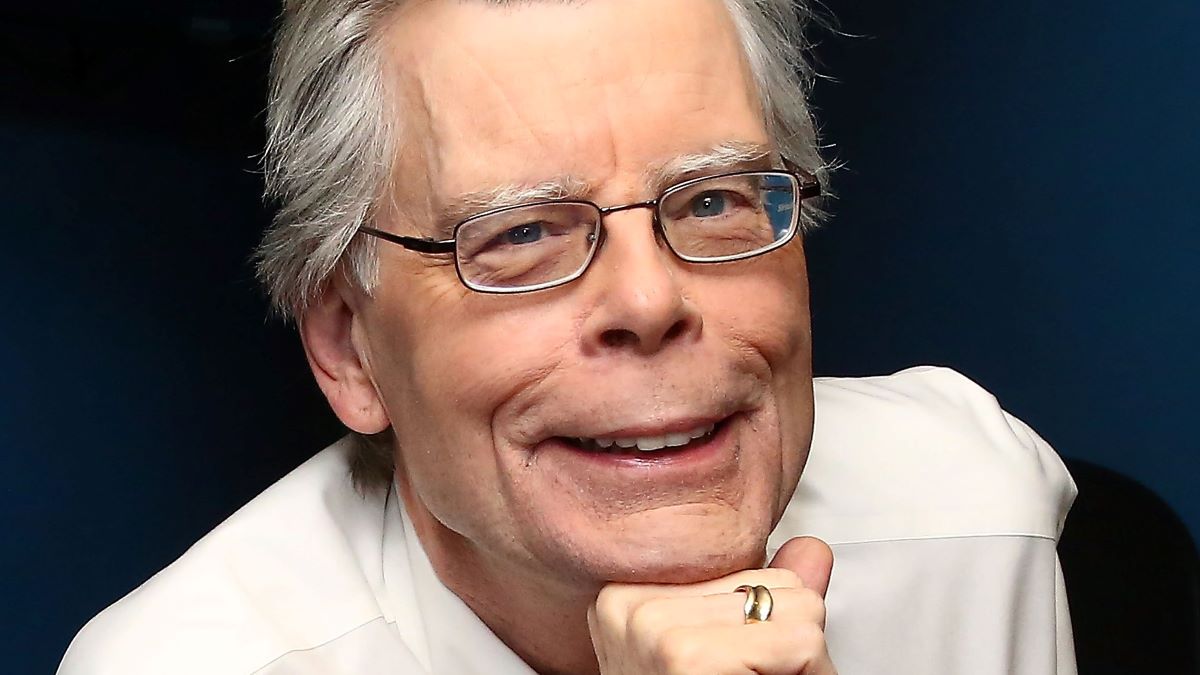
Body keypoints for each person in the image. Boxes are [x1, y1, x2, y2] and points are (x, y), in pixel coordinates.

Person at [58, 0, 1078, 673]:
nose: (649, 299)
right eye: (523, 234)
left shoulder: (975, 514)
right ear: (350, 349)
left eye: (714, 198)